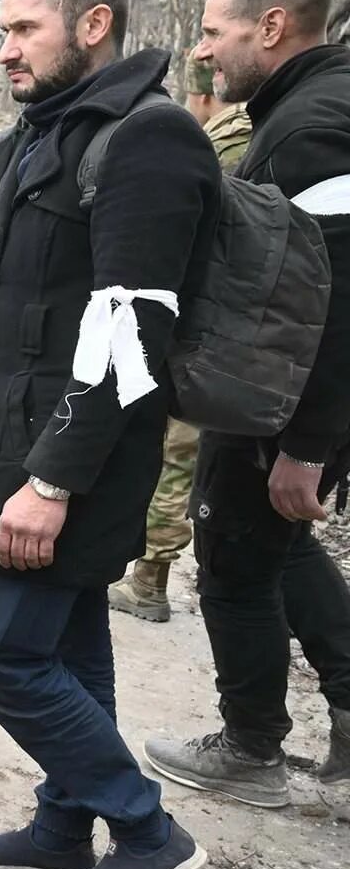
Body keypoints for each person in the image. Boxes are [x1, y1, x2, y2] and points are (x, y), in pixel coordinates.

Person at [0, 0, 221, 869]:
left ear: (91, 24)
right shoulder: (34, 134)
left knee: (4, 657)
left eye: (24, 28)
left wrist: (50, 481)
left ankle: (144, 831)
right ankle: (63, 826)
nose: (3, 46)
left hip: (75, 459)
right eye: (2, 29)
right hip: (11, 444)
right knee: (64, 645)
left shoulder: (146, 140)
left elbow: (129, 330)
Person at [144, 0, 350, 813]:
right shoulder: (306, 105)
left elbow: (338, 298)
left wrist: (307, 445)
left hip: (289, 404)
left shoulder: (312, 129)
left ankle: (251, 745)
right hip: (287, 396)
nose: (201, 50)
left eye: (212, 31)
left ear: (272, 27)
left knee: (230, 557)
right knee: (275, 544)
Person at [107, 55, 253, 623]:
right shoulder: (237, 132)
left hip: (206, 330)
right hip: (222, 330)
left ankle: (150, 580)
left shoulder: (223, 141)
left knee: (176, 454)